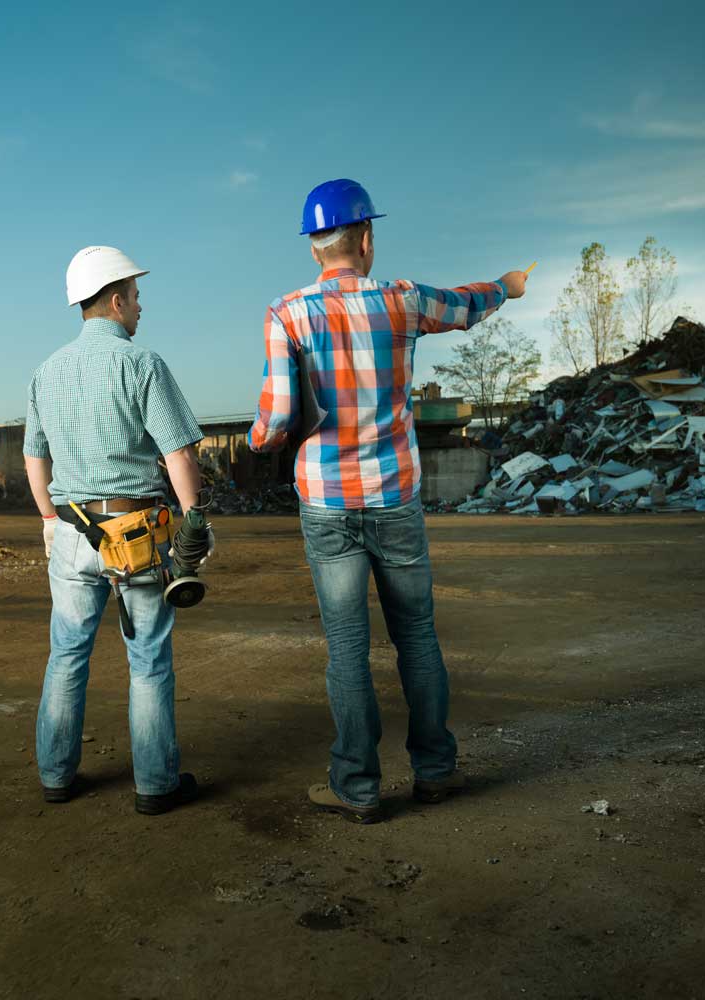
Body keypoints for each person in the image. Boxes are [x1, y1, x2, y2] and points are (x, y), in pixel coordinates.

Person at [248, 179, 529, 824]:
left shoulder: (286, 314)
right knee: (418, 637)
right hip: (396, 498)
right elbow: (466, 303)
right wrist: (508, 286)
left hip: (327, 504)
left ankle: (358, 786)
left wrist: (267, 438)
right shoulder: (401, 302)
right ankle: (434, 772)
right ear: (367, 237)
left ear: (315, 248)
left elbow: (278, 417)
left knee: (347, 647)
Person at [24, 245, 206, 816]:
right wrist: (194, 513)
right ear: (116, 298)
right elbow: (178, 449)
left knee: (66, 654)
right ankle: (155, 785)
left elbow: (35, 460)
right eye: (135, 296)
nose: (140, 307)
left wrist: (50, 520)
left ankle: (56, 775)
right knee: (148, 659)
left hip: (73, 532)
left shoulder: (44, 372)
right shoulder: (141, 365)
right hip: (136, 535)